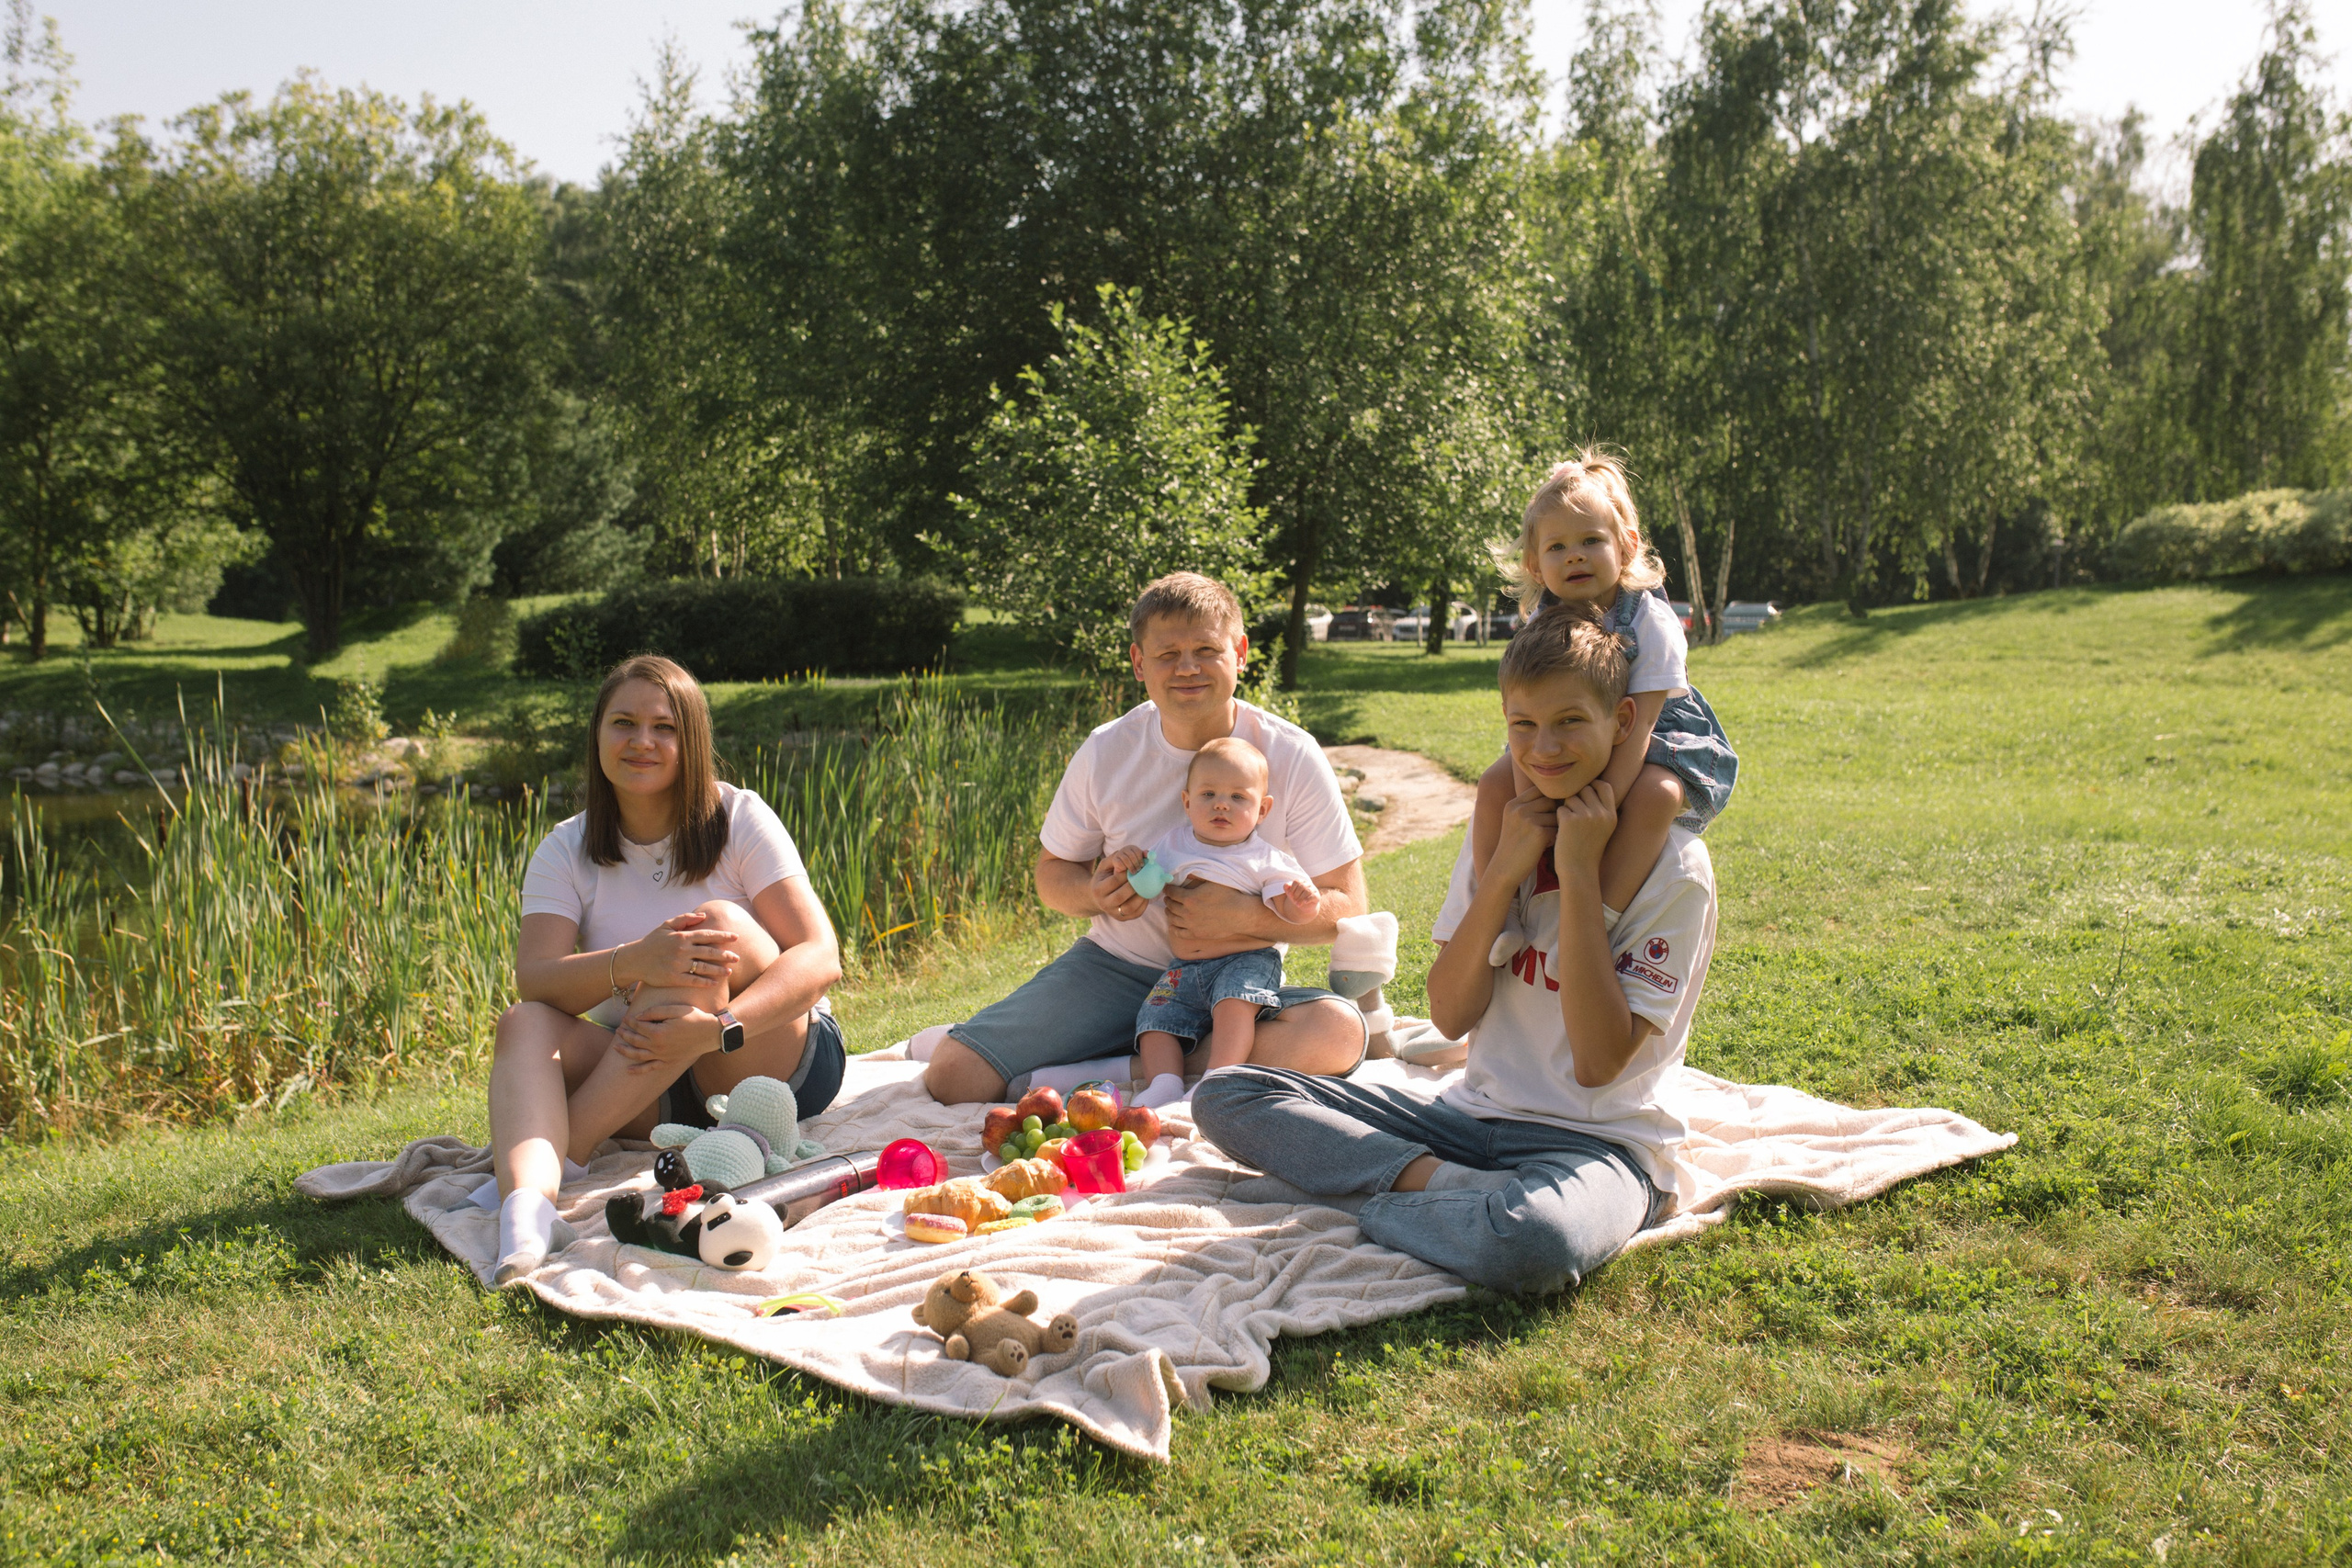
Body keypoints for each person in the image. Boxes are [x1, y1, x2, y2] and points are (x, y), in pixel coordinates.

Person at [1190, 609, 1719, 1295]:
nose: (1544, 747)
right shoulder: (1507, 832)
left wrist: (1580, 874)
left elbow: (1596, 1064)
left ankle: (1375, 1200)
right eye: (1522, 725)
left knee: (1534, 1242)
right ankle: (1451, 1190)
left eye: (1569, 722)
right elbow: (1451, 1012)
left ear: (1622, 721)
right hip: (1467, 1123)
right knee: (1228, 1093)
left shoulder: (1675, 867)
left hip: (1600, 1147)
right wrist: (1503, 872)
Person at [919, 572, 1370, 1105]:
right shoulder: (1106, 750)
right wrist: (1094, 894)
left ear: (1241, 653)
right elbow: (1052, 872)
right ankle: (1150, 1059)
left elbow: (1349, 907)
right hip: (1113, 969)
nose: (1187, 668)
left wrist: (1246, 918)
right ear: (1138, 663)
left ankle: (1138, 1068)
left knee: (1336, 1032)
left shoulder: (1290, 754)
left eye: (1206, 649)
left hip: (1235, 980)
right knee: (953, 1077)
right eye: (1167, 654)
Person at [486, 654, 847, 1285]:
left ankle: (567, 1147)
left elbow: (821, 956)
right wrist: (634, 962)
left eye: (665, 727)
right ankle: (527, 1209)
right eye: (623, 723)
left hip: (765, 1063)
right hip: (652, 1075)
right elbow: (537, 978)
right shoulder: (565, 848)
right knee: (523, 1024)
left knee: (709, 925)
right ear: (598, 736)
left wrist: (717, 1028)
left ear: (692, 739)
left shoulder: (739, 816)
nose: (642, 741)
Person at [1469, 450, 1737, 914]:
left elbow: (1643, 726)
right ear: (1536, 566)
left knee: (1658, 795)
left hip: (1649, 738)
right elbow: (1527, 716)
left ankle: (1604, 914)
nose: (1574, 554)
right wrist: (1533, 799)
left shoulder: (1653, 623)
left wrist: (1599, 807)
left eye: (1591, 540)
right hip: (1565, 730)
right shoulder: (1541, 621)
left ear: (1626, 546)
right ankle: (1499, 907)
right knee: (1495, 787)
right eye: (1557, 547)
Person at [1102, 736, 1326, 1111]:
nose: (1222, 804)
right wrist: (1133, 864)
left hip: (1245, 960)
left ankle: (1217, 1077)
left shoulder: (1264, 858)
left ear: (1263, 809)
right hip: (1185, 966)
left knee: (1235, 1006)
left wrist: (1303, 904)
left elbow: (1287, 911)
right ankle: (1164, 1083)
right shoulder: (1175, 844)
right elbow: (1148, 888)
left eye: (1239, 798)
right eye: (1208, 794)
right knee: (1155, 1017)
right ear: (1187, 802)